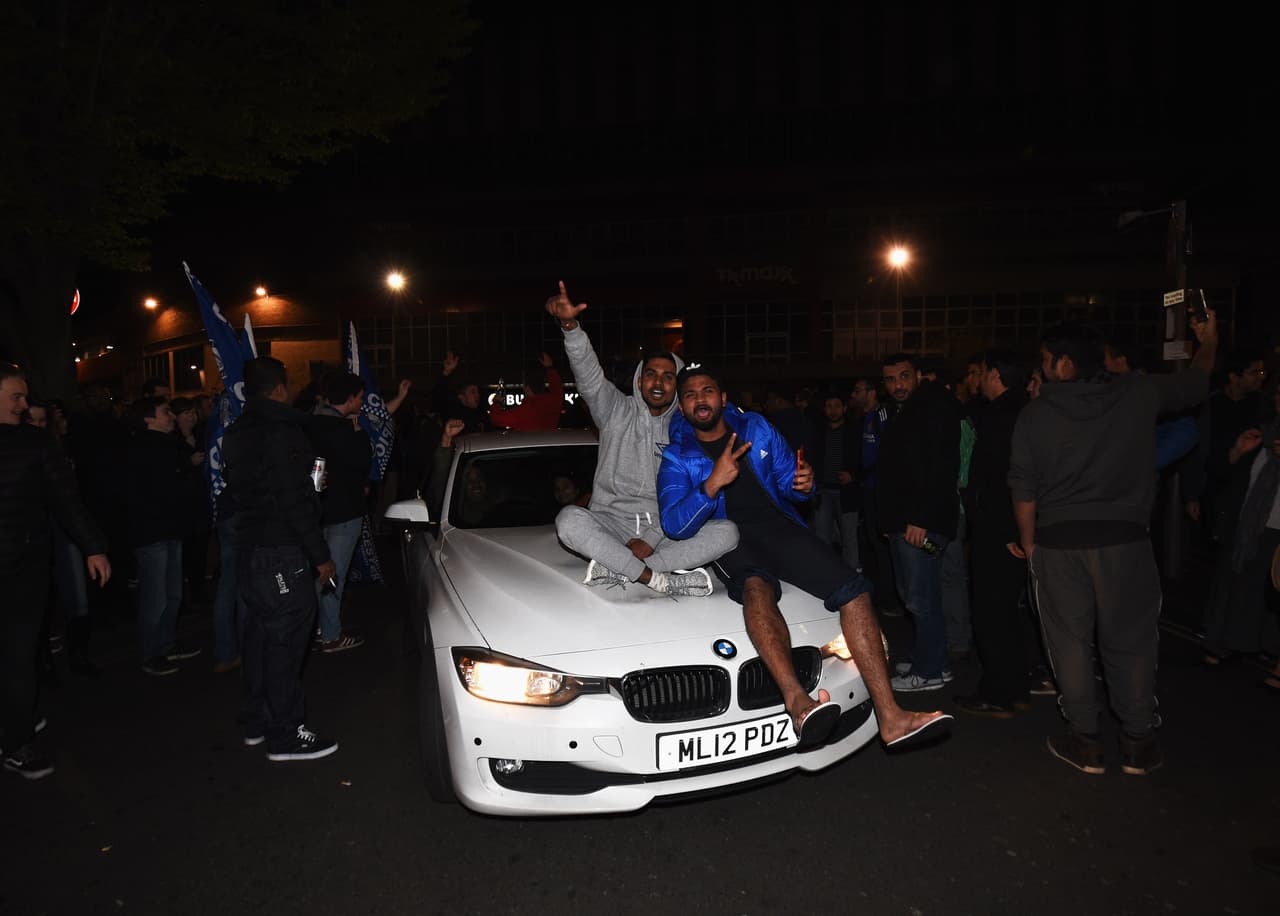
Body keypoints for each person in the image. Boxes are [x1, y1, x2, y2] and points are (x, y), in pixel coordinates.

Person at [658, 363, 952, 749]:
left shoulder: (757, 429)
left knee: (855, 589)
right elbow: (674, 525)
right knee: (757, 588)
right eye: (691, 394)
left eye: (708, 390)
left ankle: (892, 717)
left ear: (723, 397)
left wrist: (803, 484)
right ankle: (798, 702)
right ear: (681, 407)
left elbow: (791, 485)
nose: (701, 399)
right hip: (728, 537)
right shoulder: (677, 456)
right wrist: (712, 483)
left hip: (781, 529)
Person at [1010, 313, 1217, 776]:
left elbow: (1022, 487)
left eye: (1045, 360)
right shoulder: (1138, 393)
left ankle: (1085, 742)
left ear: (1065, 364)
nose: (1041, 369)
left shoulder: (1036, 413)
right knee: (1132, 644)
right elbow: (1198, 380)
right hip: (1126, 543)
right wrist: (1210, 341)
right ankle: (1138, 742)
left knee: (1069, 645)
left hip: (1059, 544)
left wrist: (1031, 546)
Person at [546, 281, 736, 596]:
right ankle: (658, 579)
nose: (658, 382)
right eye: (651, 374)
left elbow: (686, 498)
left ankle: (623, 569)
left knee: (727, 532)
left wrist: (649, 539)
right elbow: (589, 374)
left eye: (668, 375)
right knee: (568, 520)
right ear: (639, 379)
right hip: (610, 524)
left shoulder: (686, 431)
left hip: (665, 530)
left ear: (677, 385)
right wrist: (570, 326)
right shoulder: (614, 410)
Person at [223, 357, 338, 761]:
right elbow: (293, 499)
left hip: (251, 547)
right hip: (279, 550)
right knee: (285, 642)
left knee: (258, 637)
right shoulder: (280, 431)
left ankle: (256, 720)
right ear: (278, 389)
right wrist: (320, 556)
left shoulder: (237, 431)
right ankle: (286, 734)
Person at [1, 364, 110, 779]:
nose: (24, 404)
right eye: (16, 397)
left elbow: (66, 500)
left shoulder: (35, 444)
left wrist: (93, 546)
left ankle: (16, 736)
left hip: (22, 569)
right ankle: (16, 724)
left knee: (17, 654)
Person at [877, 353, 963, 692]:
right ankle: (932, 661)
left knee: (921, 597)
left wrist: (919, 520)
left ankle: (929, 671)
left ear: (919, 376)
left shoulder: (930, 408)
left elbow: (937, 469)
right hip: (906, 523)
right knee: (918, 595)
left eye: (904, 376)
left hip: (920, 525)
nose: (898, 385)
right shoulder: (912, 410)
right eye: (890, 379)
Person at [953, 350, 1031, 718]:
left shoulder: (1002, 416)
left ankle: (999, 691)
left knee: (991, 612)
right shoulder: (1025, 410)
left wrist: (1007, 529)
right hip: (1013, 528)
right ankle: (1015, 687)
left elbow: (1004, 480)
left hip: (1000, 530)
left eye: (981, 372)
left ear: (996, 374)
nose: (977, 380)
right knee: (1009, 614)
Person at [1200, 383, 1280, 666]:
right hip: (1246, 527)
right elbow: (1223, 476)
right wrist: (1237, 452)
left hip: (1276, 529)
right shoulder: (1262, 433)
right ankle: (1222, 642)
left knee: (1268, 594)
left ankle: (1266, 648)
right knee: (1235, 586)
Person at [126, 397, 200, 675]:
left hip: (171, 529)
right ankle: (150, 651)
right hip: (152, 532)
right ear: (149, 419)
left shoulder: (169, 446)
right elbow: (158, 489)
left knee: (172, 593)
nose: (171, 416)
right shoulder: (142, 448)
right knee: (155, 596)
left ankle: (166, 643)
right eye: (164, 412)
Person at [308, 371, 373, 653]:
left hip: (318, 511)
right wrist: (359, 433)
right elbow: (362, 463)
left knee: (320, 570)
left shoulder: (311, 423)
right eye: (359, 398)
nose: (361, 402)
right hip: (344, 512)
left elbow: (315, 470)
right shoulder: (344, 431)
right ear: (349, 400)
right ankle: (331, 635)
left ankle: (320, 625)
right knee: (334, 574)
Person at [808, 391, 862, 571]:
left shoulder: (854, 431)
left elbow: (866, 458)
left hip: (846, 491)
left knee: (849, 538)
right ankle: (827, 574)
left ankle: (852, 576)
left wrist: (853, 475)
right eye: (829, 406)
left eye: (837, 406)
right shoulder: (819, 432)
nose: (833, 411)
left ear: (844, 408)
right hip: (823, 491)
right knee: (822, 537)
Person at [490, 353, 564, 431]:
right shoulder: (553, 403)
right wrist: (550, 368)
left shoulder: (523, 411)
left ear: (527, 388)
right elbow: (557, 388)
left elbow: (496, 419)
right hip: (550, 442)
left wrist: (497, 402)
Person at [434, 351, 493, 434]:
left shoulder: (482, 414)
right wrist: (446, 373)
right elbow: (439, 397)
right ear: (461, 396)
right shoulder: (453, 413)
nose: (477, 395)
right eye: (473, 392)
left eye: (477, 392)